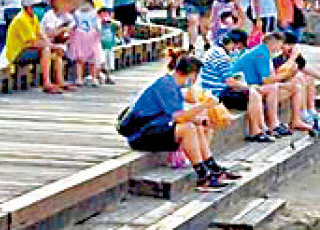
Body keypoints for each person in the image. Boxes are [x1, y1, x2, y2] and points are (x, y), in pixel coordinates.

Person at [119, 52, 236, 190]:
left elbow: (177, 116)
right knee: (188, 128)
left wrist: (201, 121)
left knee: (195, 126)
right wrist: (205, 105)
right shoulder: (166, 85)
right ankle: (203, 176)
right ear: (192, 74)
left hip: (152, 128)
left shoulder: (171, 83)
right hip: (139, 135)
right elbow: (179, 117)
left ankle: (212, 167)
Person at [200, 29, 271, 142]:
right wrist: (249, 87)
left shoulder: (213, 50)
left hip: (213, 91)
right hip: (218, 95)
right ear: (235, 43)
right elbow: (230, 82)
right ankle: (258, 130)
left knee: (253, 94)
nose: (236, 50)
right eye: (236, 47)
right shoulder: (222, 57)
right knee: (253, 94)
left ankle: (259, 129)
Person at [230, 31, 291, 136]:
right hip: (240, 87)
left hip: (250, 84)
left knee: (284, 87)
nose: (281, 48)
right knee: (273, 88)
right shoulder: (261, 53)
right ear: (273, 43)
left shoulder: (264, 52)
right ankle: (273, 124)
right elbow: (266, 80)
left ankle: (275, 123)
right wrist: (287, 74)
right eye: (280, 45)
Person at [5, 0, 69, 93]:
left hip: (27, 49)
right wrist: (51, 45)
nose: (40, 9)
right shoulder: (22, 19)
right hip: (18, 52)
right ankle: (46, 83)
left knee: (56, 52)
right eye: (37, 6)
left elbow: (41, 34)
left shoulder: (33, 17)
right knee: (46, 50)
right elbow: (32, 42)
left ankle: (60, 82)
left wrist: (52, 45)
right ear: (29, 7)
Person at [67, 0, 102, 86]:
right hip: (84, 35)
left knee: (91, 58)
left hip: (87, 35)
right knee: (81, 58)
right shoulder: (78, 13)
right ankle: (81, 77)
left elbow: (97, 24)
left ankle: (91, 78)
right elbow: (73, 23)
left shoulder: (91, 12)